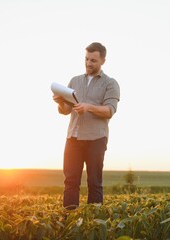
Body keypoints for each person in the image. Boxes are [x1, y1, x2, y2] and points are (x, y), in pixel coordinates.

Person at [53, 42, 120, 210]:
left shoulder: (110, 83)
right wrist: (60, 102)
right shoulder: (74, 81)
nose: (89, 63)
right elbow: (66, 111)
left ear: (103, 61)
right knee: (70, 182)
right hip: (73, 138)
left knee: (94, 183)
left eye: (93, 60)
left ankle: (94, 226)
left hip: (96, 139)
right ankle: (69, 223)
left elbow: (110, 110)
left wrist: (88, 106)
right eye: (86, 59)